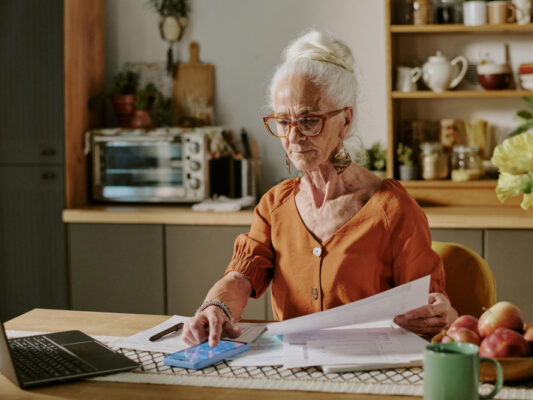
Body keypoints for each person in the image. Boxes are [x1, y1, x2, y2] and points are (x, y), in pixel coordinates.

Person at [183, 30, 457, 347]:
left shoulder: (392, 209)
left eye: (309, 120)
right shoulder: (275, 205)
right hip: (292, 376)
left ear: (345, 120)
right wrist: (215, 306)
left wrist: (440, 314)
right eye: (283, 122)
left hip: (368, 378)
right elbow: (241, 278)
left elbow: (429, 314)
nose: (294, 138)